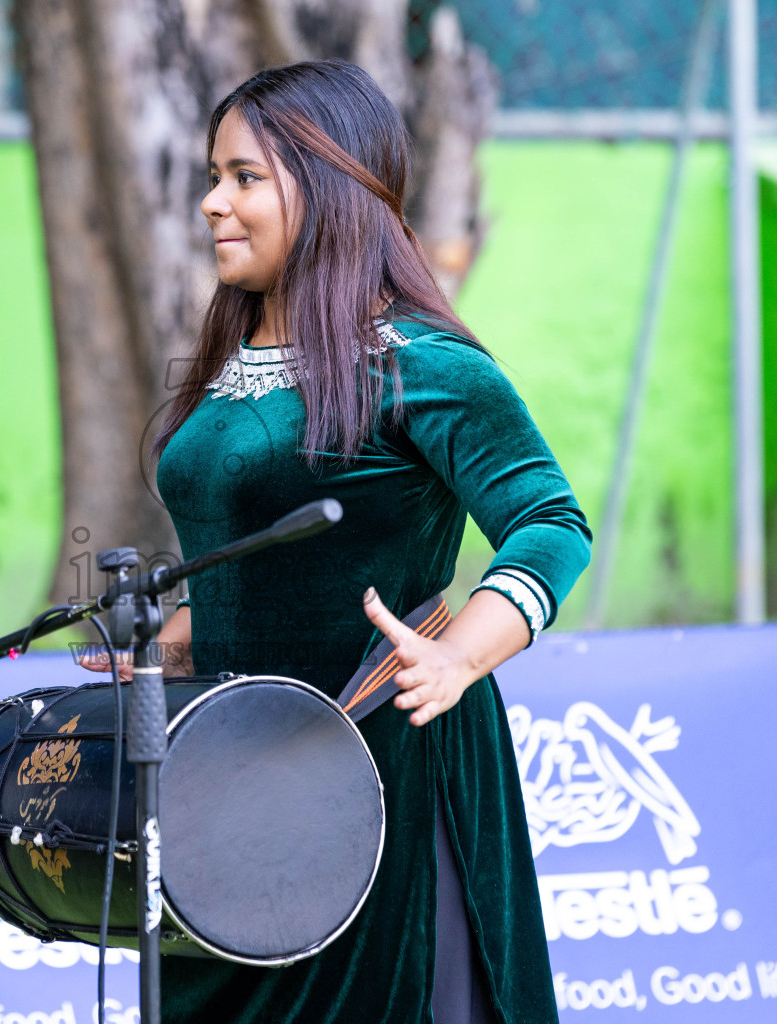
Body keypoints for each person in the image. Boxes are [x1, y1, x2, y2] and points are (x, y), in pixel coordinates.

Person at [84, 60, 590, 1023]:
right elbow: (283, 563)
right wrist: (180, 635)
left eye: (244, 178)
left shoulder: (424, 366)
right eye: (213, 176)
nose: (210, 204)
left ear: (328, 186)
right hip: (231, 773)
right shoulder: (239, 359)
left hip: (380, 761)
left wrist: (455, 656)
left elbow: (550, 525)